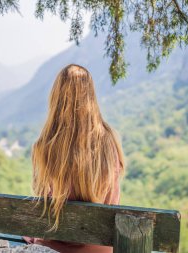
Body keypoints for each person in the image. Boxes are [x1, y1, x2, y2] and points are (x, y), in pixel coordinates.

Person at [22, 64, 125, 253]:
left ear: (57, 97)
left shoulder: (45, 146)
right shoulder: (109, 141)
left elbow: (44, 204)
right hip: (100, 249)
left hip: (53, 248)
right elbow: (113, 201)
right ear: (91, 97)